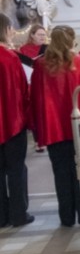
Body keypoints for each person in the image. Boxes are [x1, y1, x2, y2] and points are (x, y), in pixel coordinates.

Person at [30, 25, 80, 228]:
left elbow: (36, 98)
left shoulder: (41, 65)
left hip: (55, 128)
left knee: (61, 173)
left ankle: (66, 217)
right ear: (72, 40)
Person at [0, 13, 34, 227]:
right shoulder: (10, 57)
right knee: (15, 168)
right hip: (11, 122)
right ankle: (19, 214)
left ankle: (1, 217)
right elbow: (21, 90)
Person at [18, 24, 47, 152]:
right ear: (32, 35)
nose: (43, 37)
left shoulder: (48, 49)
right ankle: (37, 141)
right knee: (35, 111)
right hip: (30, 83)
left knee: (45, 110)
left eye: (44, 35)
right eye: (40, 35)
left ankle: (46, 137)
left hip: (45, 82)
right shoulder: (24, 49)